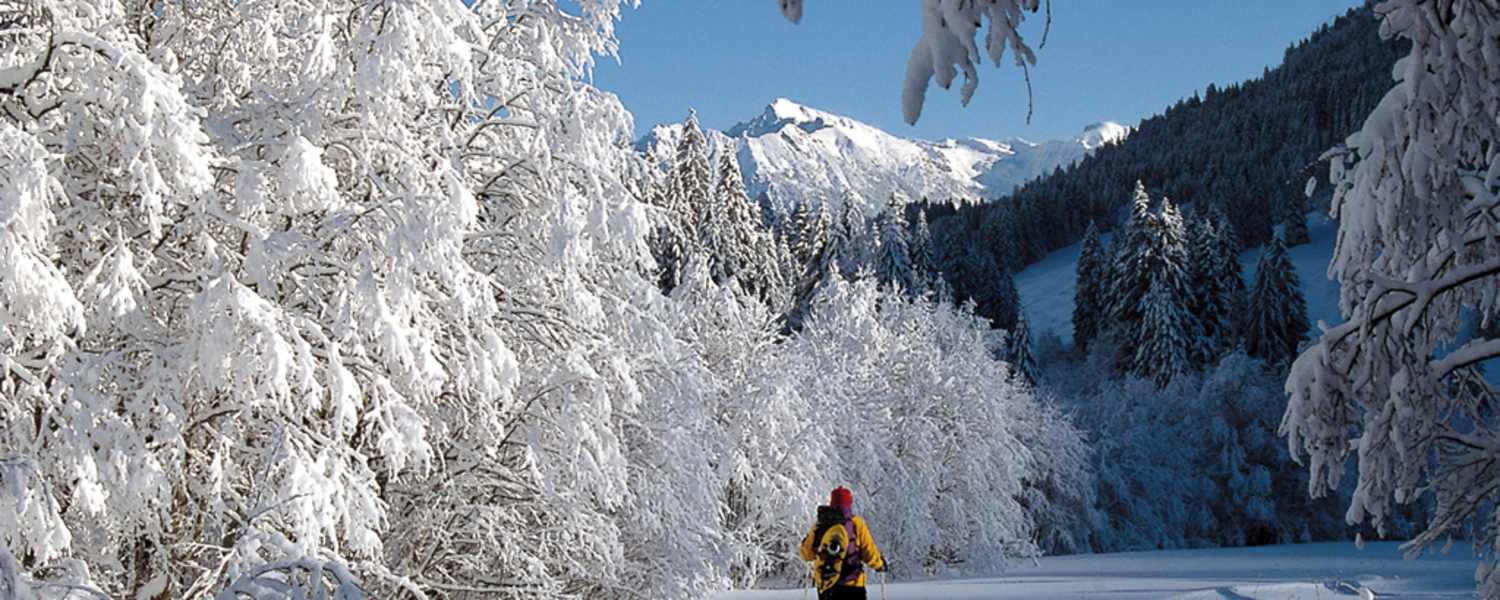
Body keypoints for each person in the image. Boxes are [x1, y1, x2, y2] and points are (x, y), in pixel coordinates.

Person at [800, 486, 886, 600]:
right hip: (853, 584)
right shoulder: (856, 523)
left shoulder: (820, 525)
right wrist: (879, 564)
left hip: (828, 585)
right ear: (849, 503)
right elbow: (868, 551)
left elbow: (806, 554)